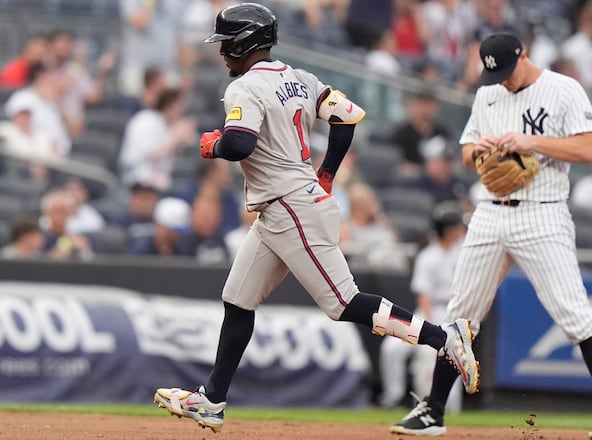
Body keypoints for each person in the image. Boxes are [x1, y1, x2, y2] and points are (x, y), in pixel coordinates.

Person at [153, 4, 479, 433]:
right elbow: (347, 116)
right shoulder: (299, 77)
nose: (222, 54)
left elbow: (238, 144)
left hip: (290, 207)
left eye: (226, 45)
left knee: (343, 303)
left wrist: (213, 145)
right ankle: (212, 400)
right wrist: (326, 174)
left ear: (244, 43)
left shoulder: (245, 88)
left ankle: (444, 339)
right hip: (283, 206)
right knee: (237, 299)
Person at [391, 32, 592, 439]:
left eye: (506, 71)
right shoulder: (488, 94)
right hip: (489, 213)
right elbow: (468, 153)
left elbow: (590, 150)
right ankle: (433, 410)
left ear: (524, 55)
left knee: (575, 316)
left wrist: (531, 141)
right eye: (495, 74)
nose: (502, 80)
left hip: (542, 213)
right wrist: (481, 150)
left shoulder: (562, 89)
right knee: (460, 317)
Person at [379, 202, 467, 412]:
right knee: (391, 349)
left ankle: (449, 406)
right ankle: (393, 397)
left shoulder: (464, 251)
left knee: (451, 355)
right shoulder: (428, 255)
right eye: (455, 226)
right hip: (430, 312)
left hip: (455, 312)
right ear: (445, 229)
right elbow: (423, 294)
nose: (459, 230)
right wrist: (429, 325)